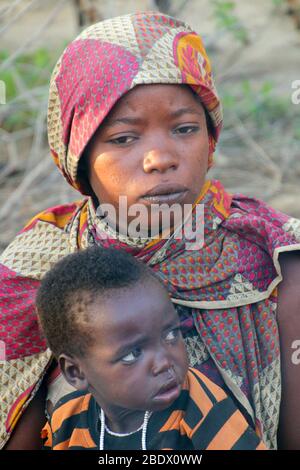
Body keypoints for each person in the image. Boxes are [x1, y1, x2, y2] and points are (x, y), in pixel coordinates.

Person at [0, 11, 300, 451]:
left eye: (184, 129)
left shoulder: (274, 260)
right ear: (78, 156)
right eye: (123, 138)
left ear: (210, 139)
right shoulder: (39, 268)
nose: (160, 158)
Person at [37, 246, 266, 450]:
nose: (164, 362)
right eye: (132, 354)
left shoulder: (199, 407)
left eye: (170, 334)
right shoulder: (68, 420)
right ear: (76, 372)